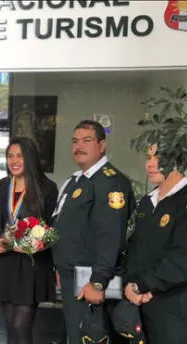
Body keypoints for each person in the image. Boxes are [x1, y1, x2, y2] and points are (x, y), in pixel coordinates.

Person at [124, 144, 187, 344]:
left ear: (179, 161)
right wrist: (131, 285)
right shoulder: (146, 203)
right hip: (142, 305)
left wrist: (144, 285)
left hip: (176, 308)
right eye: (148, 156)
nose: (150, 164)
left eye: (158, 157)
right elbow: (134, 248)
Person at [50, 120, 135, 344]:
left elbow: (111, 235)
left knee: (90, 338)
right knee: (75, 336)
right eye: (75, 141)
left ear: (102, 145)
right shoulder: (74, 181)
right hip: (71, 277)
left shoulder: (111, 182)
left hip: (91, 280)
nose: (79, 146)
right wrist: (59, 265)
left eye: (87, 141)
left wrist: (98, 281)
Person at [0, 137, 59, 344]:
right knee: (9, 323)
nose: (14, 160)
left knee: (21, 324)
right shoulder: (2, 185)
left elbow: (50, 229)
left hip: (30, 266)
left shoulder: (47, 188)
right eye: (10, 156)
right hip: (5, 264)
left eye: (20, 156)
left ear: (31, 158)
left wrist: (25, 244)